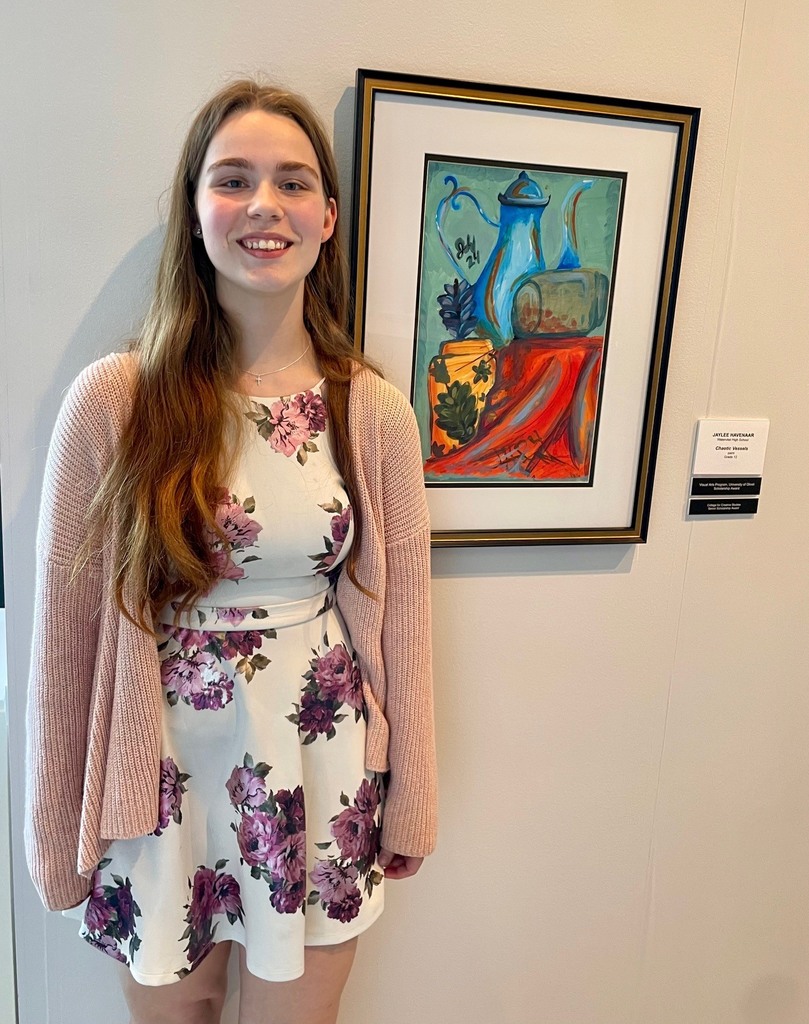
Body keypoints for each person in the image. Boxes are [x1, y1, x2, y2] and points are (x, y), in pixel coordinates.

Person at [24, 79, 436, 1024]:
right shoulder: (116, 401)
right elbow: (67, 632)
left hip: (319, 767)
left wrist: (412, 797)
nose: (263, 206)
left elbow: (404, 620)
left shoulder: (368, 410)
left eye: (293, 183)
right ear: (195, 209)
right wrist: (55, 837)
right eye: (233, 180)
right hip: (157, 778)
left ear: (327, 218)